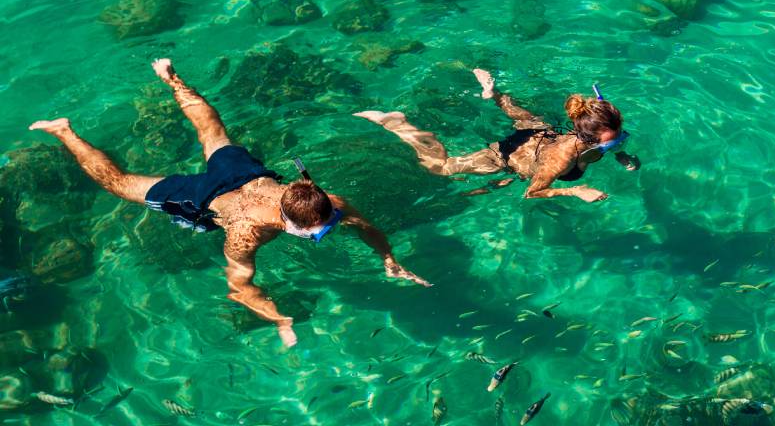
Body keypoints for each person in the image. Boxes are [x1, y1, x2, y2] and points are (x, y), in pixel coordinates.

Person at [28, 59, 430, 348]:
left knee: (212, 130)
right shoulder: (245, 234)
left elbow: (365, 225)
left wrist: (387, 257)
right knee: (119, 184)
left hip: (244, 175)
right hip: (207, 198)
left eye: (326, 228)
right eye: (317, 234)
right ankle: (64, 131)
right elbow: (239, 287)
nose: (324, 232)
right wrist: (279, 319)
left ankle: (170, 75)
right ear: (287, 221)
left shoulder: (330, 202)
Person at [356, 68, 637, 202]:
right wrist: (575, 190)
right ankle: (398, 125)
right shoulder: (559, 161)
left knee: (526, 120)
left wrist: (620, 152)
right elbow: (531, 192)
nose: (619, 137)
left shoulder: (598, 134)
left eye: (619, 134)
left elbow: (605, 143)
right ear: (588, 137)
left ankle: (493, 94)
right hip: (509, 157)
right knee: (441, 168)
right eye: (615, 139)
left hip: (542, 132)